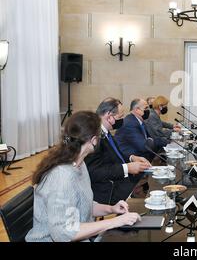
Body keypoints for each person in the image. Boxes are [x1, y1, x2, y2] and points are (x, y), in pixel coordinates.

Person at [26, 111, 141, 242]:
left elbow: (83, 205)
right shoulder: (61, 177)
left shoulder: (80, 164)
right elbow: (63, 234)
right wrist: (114, 222)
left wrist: (111, 209)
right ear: (93, 140)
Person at [85, 98, 151, 205]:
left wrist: (132, 157)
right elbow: (94, 172)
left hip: (120, 182)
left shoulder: (106, 131)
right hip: (108, 191)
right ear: (109, 116)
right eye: (120, 117)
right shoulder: (94, 137)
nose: (122, 120)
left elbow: (116, 154)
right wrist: (127, 168)